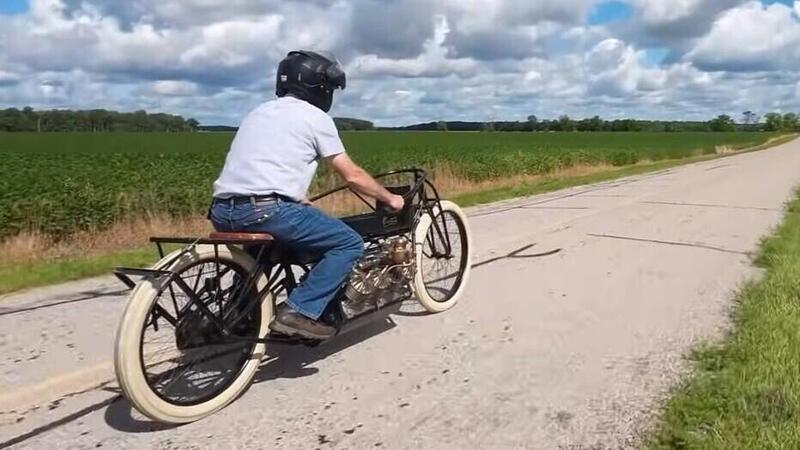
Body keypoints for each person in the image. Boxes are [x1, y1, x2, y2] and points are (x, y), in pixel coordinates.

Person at [209, 50, 404, 340]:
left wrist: (292, 194)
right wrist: (390, 198)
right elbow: (351, 175)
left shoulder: (257, 112)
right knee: (348, 243)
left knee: (268, 253)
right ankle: (299, 310)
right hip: (268, 210)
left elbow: (262, 162)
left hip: (222, 211)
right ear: (320, 87)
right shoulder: (315, 118)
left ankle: (241, 312)